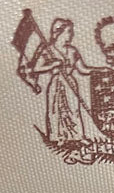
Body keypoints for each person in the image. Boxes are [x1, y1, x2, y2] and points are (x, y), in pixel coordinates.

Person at [33, 18, 96, 161]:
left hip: (70, 83)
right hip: (57, 83)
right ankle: (60, 137)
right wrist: (52, 64)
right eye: (68, 32)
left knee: (73, 110)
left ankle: (77, 136)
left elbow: (83, 69)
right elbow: (36, 68)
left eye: (71, 32)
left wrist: (98, 70)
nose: (71, 35)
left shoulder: (72, 51)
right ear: (59, 33)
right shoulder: (48, 50)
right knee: (57, 110)